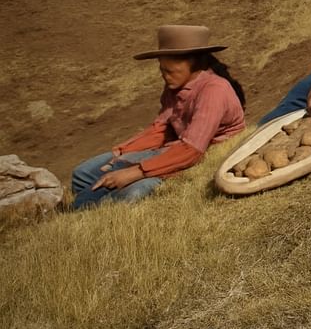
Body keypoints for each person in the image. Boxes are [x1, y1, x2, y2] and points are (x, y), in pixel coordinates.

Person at [70, 25, 246, 209]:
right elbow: (161, 128)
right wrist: (122, 151)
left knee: (133, 193)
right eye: (163, 70)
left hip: (199, 157)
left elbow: (191, 151)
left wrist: (134, 172)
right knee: (83, 174)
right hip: (173, 148)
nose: (165, 76)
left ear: (194, 64)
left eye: (171, 71)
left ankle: (99, 209)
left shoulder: (214, 90)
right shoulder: (175, 86)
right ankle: (92, 204)